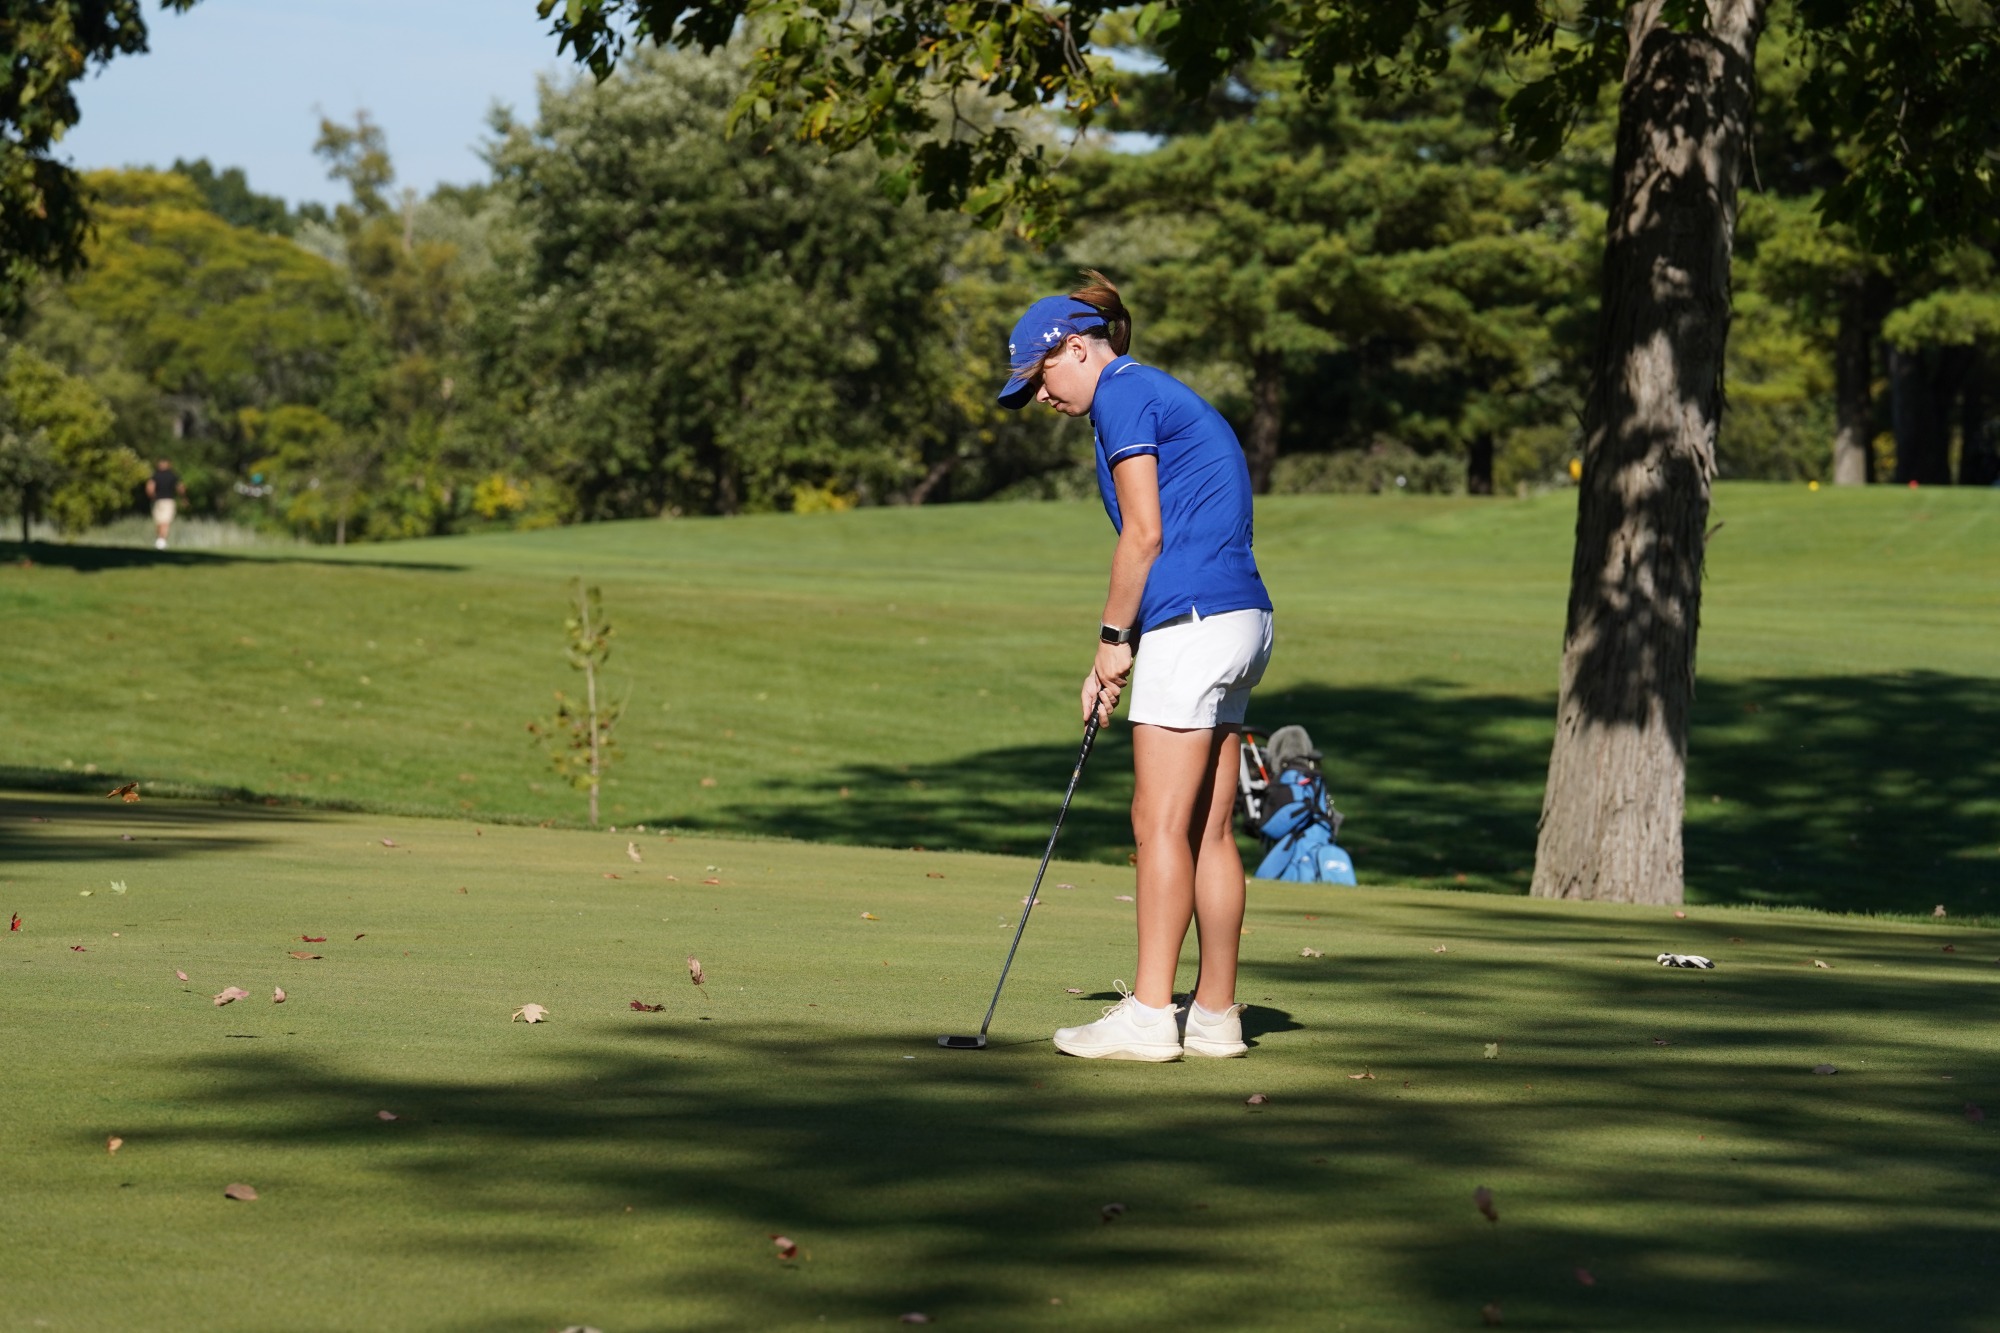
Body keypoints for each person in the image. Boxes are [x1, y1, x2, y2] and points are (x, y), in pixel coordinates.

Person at [997, 272, 1275, 1061]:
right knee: (1209, 827)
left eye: (1039, 378)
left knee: (1156, 824)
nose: (1041, 399)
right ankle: (1215, 1015)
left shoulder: (1121, 393)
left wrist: (1112, 641)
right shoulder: (1154, 389)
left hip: (1191, 621)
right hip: (1243, 618)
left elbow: (1143, 534)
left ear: (1075, 348)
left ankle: (1153, 1012)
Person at [146, 459, 184, 550]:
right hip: (168, 500)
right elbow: (180, 487)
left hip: (157, 501)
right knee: (165, 522)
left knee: (159, 521)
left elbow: (150, 487)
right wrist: (183, 498)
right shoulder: (173, 475)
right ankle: (162, 541)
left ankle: (159, 540)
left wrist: (152, 497)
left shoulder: (155, 475)